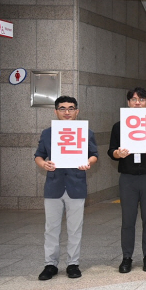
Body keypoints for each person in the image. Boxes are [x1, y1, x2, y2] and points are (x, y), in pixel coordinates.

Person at [34, 96, 98, 280]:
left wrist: (88, 162)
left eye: (71, 108)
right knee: (51, 228)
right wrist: (43, 164)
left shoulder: (86, 131)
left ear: (77, 111)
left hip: (76, 185)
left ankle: (73, 264)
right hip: (53, 186)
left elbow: (94, 155)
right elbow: (38, 155)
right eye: (62, 108)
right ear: (56, 111)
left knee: (75, 228)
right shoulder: (47, 133)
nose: (67, 112)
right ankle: (50, 265)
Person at [108, 87, 146, 274]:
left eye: (141, 100)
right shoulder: (119, 126)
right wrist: (117, 153)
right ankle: (126, 257)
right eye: (134, 99)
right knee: (128, 220)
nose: (137, 103)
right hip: (127, 178)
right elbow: (111, 151)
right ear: (128, 103)